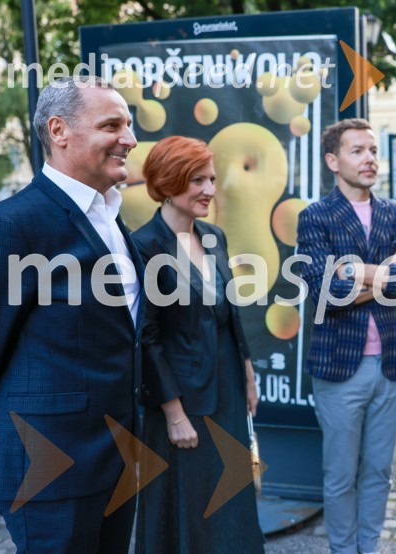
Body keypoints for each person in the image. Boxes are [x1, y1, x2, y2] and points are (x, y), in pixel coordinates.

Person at [0, 76, 142, 552]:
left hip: (117, 459)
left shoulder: (111, 216)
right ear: (59, 131)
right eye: (111, 125)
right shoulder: (12, 225)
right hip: (48, 471)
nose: (130, 139)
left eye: (129, 125)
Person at [296, 119, 396, 554]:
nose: (370, 158)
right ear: (333, 161)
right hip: (338, 367)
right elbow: (325, 292)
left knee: (378, 472)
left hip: (390, 364)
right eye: (357, 151)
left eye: (372, 150)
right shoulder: (316, 216)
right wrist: (388, 271)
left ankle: (367, 548)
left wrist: (356, 271)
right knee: (340, 475)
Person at [132, 136, 263, 553]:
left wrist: (247, 372)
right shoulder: (144, 246)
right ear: (168, 183)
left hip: (227, 387)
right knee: (191, 504)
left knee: (232, 497)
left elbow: (229, 313)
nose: (209, 189)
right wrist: (173, 414)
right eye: (198, 180)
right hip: (182, 399)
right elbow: (146, 337)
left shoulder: (213, 236)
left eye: (211, 179)